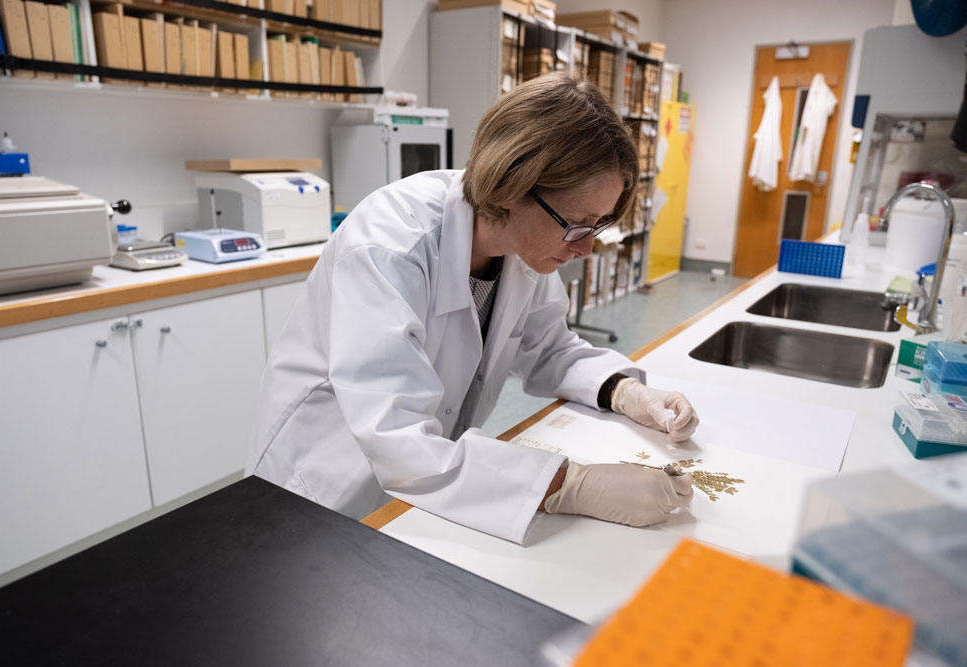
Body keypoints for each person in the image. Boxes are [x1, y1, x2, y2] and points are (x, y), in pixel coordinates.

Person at [247, 72, 699, 544]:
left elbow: (550, 347)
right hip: (324, 484)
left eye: (598, 226)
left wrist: (626, 392)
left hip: (425, 487)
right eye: (578, 225)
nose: (586, 248)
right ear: (513, 183)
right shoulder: (389, 248)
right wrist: (571, 485)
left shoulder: (520, 248)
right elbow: (395, 436)